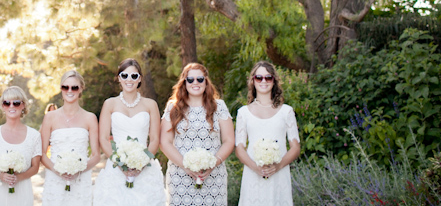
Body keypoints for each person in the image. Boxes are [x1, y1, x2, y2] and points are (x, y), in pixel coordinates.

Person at [93, 59, 166, 206]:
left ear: (139, 79)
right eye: (124, 75)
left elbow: (154, 139)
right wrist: (119, 163)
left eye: (134, 76)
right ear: (119, 78)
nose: (129, 80)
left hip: (145, 169)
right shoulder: (110, 104)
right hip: (116, 169)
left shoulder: (150, 105)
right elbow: (103, 138)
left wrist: (142, 163)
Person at [160, 63, 235, 206]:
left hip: (214, 177)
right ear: (184, 83)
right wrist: (185, 166)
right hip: (180, 177)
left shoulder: (219, 106)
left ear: (206, 82)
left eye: (200, 79)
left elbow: (229, 140)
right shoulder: (173, 107)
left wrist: (214, 163)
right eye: (190, 80)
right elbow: (164, 142)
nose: (195, 83)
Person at [235, 61, 300, 206]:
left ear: (274, 81)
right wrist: (255, 167)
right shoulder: (243, 113)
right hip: (253, 175)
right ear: (253, 81)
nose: (263, 81)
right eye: (259, 77)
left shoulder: (286, 111)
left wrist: (278, 166)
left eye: (268, 77)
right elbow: (239, 148)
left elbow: (295, 147)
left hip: (279, 174)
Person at [40, 69, 100, 206]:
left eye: (74, 87)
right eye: (65, 87)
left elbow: (96, 155)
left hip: (80, 180)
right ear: (61, 89)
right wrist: (57, 170)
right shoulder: (50, 117)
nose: (69, 90)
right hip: (55, 180)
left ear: (81, 90)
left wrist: (80, 169)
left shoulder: (90, 118)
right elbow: (42, 154)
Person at [0, 86, 42, 205]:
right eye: (7, 103)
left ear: (23, 105)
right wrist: (1, 175)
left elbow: (35, 167)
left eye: (16, 103)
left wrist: (19, 177)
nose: (11, 106)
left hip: (22, 192)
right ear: (3, 106)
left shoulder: (34, 136)